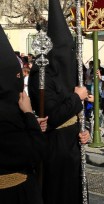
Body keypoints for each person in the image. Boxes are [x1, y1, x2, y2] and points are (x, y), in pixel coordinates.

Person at [29, 0, 90, 204]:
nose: (69, 55)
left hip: (73, 146)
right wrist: (77, 98)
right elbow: (52, 116)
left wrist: (84, 131)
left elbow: (76, 111)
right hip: (53, 150)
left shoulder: (70, 73)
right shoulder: (40, 75)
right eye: (65, 51)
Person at [0, 24, 47, 204]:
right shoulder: (11, 116)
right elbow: (37, 152)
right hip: (18, 193)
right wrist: (28, 114)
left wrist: (32, 122)